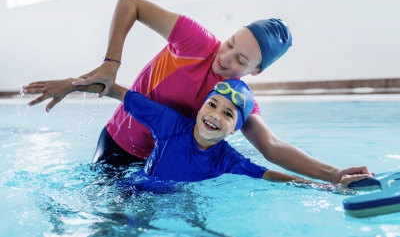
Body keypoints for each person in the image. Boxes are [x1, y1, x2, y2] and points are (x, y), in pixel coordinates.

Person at [22, 0, 373, 184]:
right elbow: (130, 3)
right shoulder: (195, 40)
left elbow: (272, 146)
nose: (225, 58)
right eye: (230, 43)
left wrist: (333, 174)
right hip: (117, 143)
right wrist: (109, 64)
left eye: (240, 60)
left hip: (158, 165)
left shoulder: (235, 100)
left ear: (257, 70)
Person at [105, 78, 371, 186]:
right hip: (136, 188)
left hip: (176, 197)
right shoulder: (170, 123)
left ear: (235, 130)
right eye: (212, 104)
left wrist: (328, 185)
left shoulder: (227, 159)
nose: (215, 115)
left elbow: (272, 176)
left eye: (228, 114)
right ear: (200, 108)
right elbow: (119, 92)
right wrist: (69, 87)